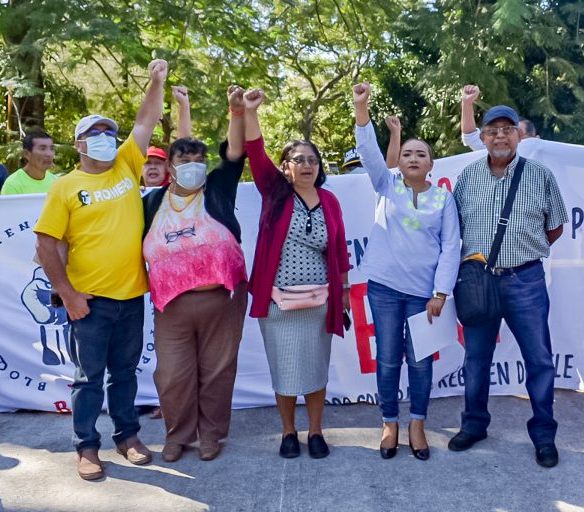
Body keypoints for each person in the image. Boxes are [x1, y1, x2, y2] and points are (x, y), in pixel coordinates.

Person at [34, 59, 167, 481]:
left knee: (125, 374)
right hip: (90, 302)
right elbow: (45, 244)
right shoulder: (65, 186)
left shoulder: (127, 163)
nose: (106, 140)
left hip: (132, 296)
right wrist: (68, 294)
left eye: (110, 133)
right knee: (89, 379)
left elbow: (146, 120)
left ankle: (128, 437)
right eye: (96, 134)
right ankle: (87, 447)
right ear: (79, 144)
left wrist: (156, 81)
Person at [449, 105, 568, 468]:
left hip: (525, 280)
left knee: (539, 360)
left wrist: (523, 251)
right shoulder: (467, 178)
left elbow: (555, 226)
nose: (500, 135)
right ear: (482, 137)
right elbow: (453, 231)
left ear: (518, 135)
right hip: (478, 283)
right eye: (492, 130)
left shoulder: (540, 175)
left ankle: (544, 435)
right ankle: (474, 425)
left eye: (507, 129)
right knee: (475, 359)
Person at [352, 82, 459, 461]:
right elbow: (368, 152)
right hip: (384, 289)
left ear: (431, 164)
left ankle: (417, 423)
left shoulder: (443, 198)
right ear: (399, 161)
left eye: (421, 154)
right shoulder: (387, 186)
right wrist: (361, 108)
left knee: (420, 361)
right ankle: (389, 423)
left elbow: (451, 246)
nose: (413, 158)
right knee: (387, 359)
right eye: (408, 153)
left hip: (423, 295)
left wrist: (441, 293)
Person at [141, 85, 248, 463]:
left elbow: (234, 153)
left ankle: (211, 435)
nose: (193, 166)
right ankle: (177, 435)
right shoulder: (152, 202)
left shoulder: (217, 189)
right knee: (172, 375)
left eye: (199, 160)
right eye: (184, 160)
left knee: (217, 372)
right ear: (170, 168)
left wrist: (236, 112)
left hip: (221, 299)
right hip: (172, 306)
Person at [243, 88, 350, 459]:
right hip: (278, 305)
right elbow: (255, 152)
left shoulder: (330, 201)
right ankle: (288, 432)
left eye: (312, 160)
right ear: (285, 166)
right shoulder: (275, 193)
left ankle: (316, 432)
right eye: (298, 159)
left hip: (319, 304)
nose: (306, 165)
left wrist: (345, 290)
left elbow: (340, 249)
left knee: (316, 370)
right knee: (285, 371)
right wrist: (250, 112)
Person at [461, 85, 539, 151]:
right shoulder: (494, 151)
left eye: (510, 131)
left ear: (535, 139)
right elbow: (470, 136)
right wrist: (467, 103)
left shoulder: (543, 153)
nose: (501, 135)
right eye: (494, 131)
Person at [0, 131, 57, 195]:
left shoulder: (56, 182)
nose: (49, 154)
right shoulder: (12, 184)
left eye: (52, 149)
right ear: (26, 154)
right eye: (43, 149)